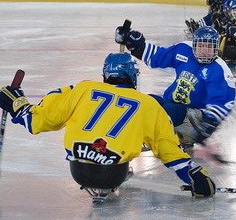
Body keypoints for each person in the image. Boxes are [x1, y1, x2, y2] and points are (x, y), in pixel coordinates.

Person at [0, 53, 216, 201]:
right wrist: (193, 174)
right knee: (154, 131)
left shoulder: (84, 89)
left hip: (79, 171)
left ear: (105, 75)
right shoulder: (147, 104)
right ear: (132, 76)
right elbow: (166, 146)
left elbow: (39, 120)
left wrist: (17, 104)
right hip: (112, 175)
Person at [115, 26, 236, 147]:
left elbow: (222, 101)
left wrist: (207, 126)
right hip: (172, 104)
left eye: (209, 47)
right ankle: (123, 128)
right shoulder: (184, 50)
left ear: (216, 47)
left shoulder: (220, 69)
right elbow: (158, 56)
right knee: (148, 101)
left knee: (169, 111)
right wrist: (136, 44)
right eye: (201, 46)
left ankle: (142, 134)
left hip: (195, 118)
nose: (205, 51)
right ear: (194, 45)